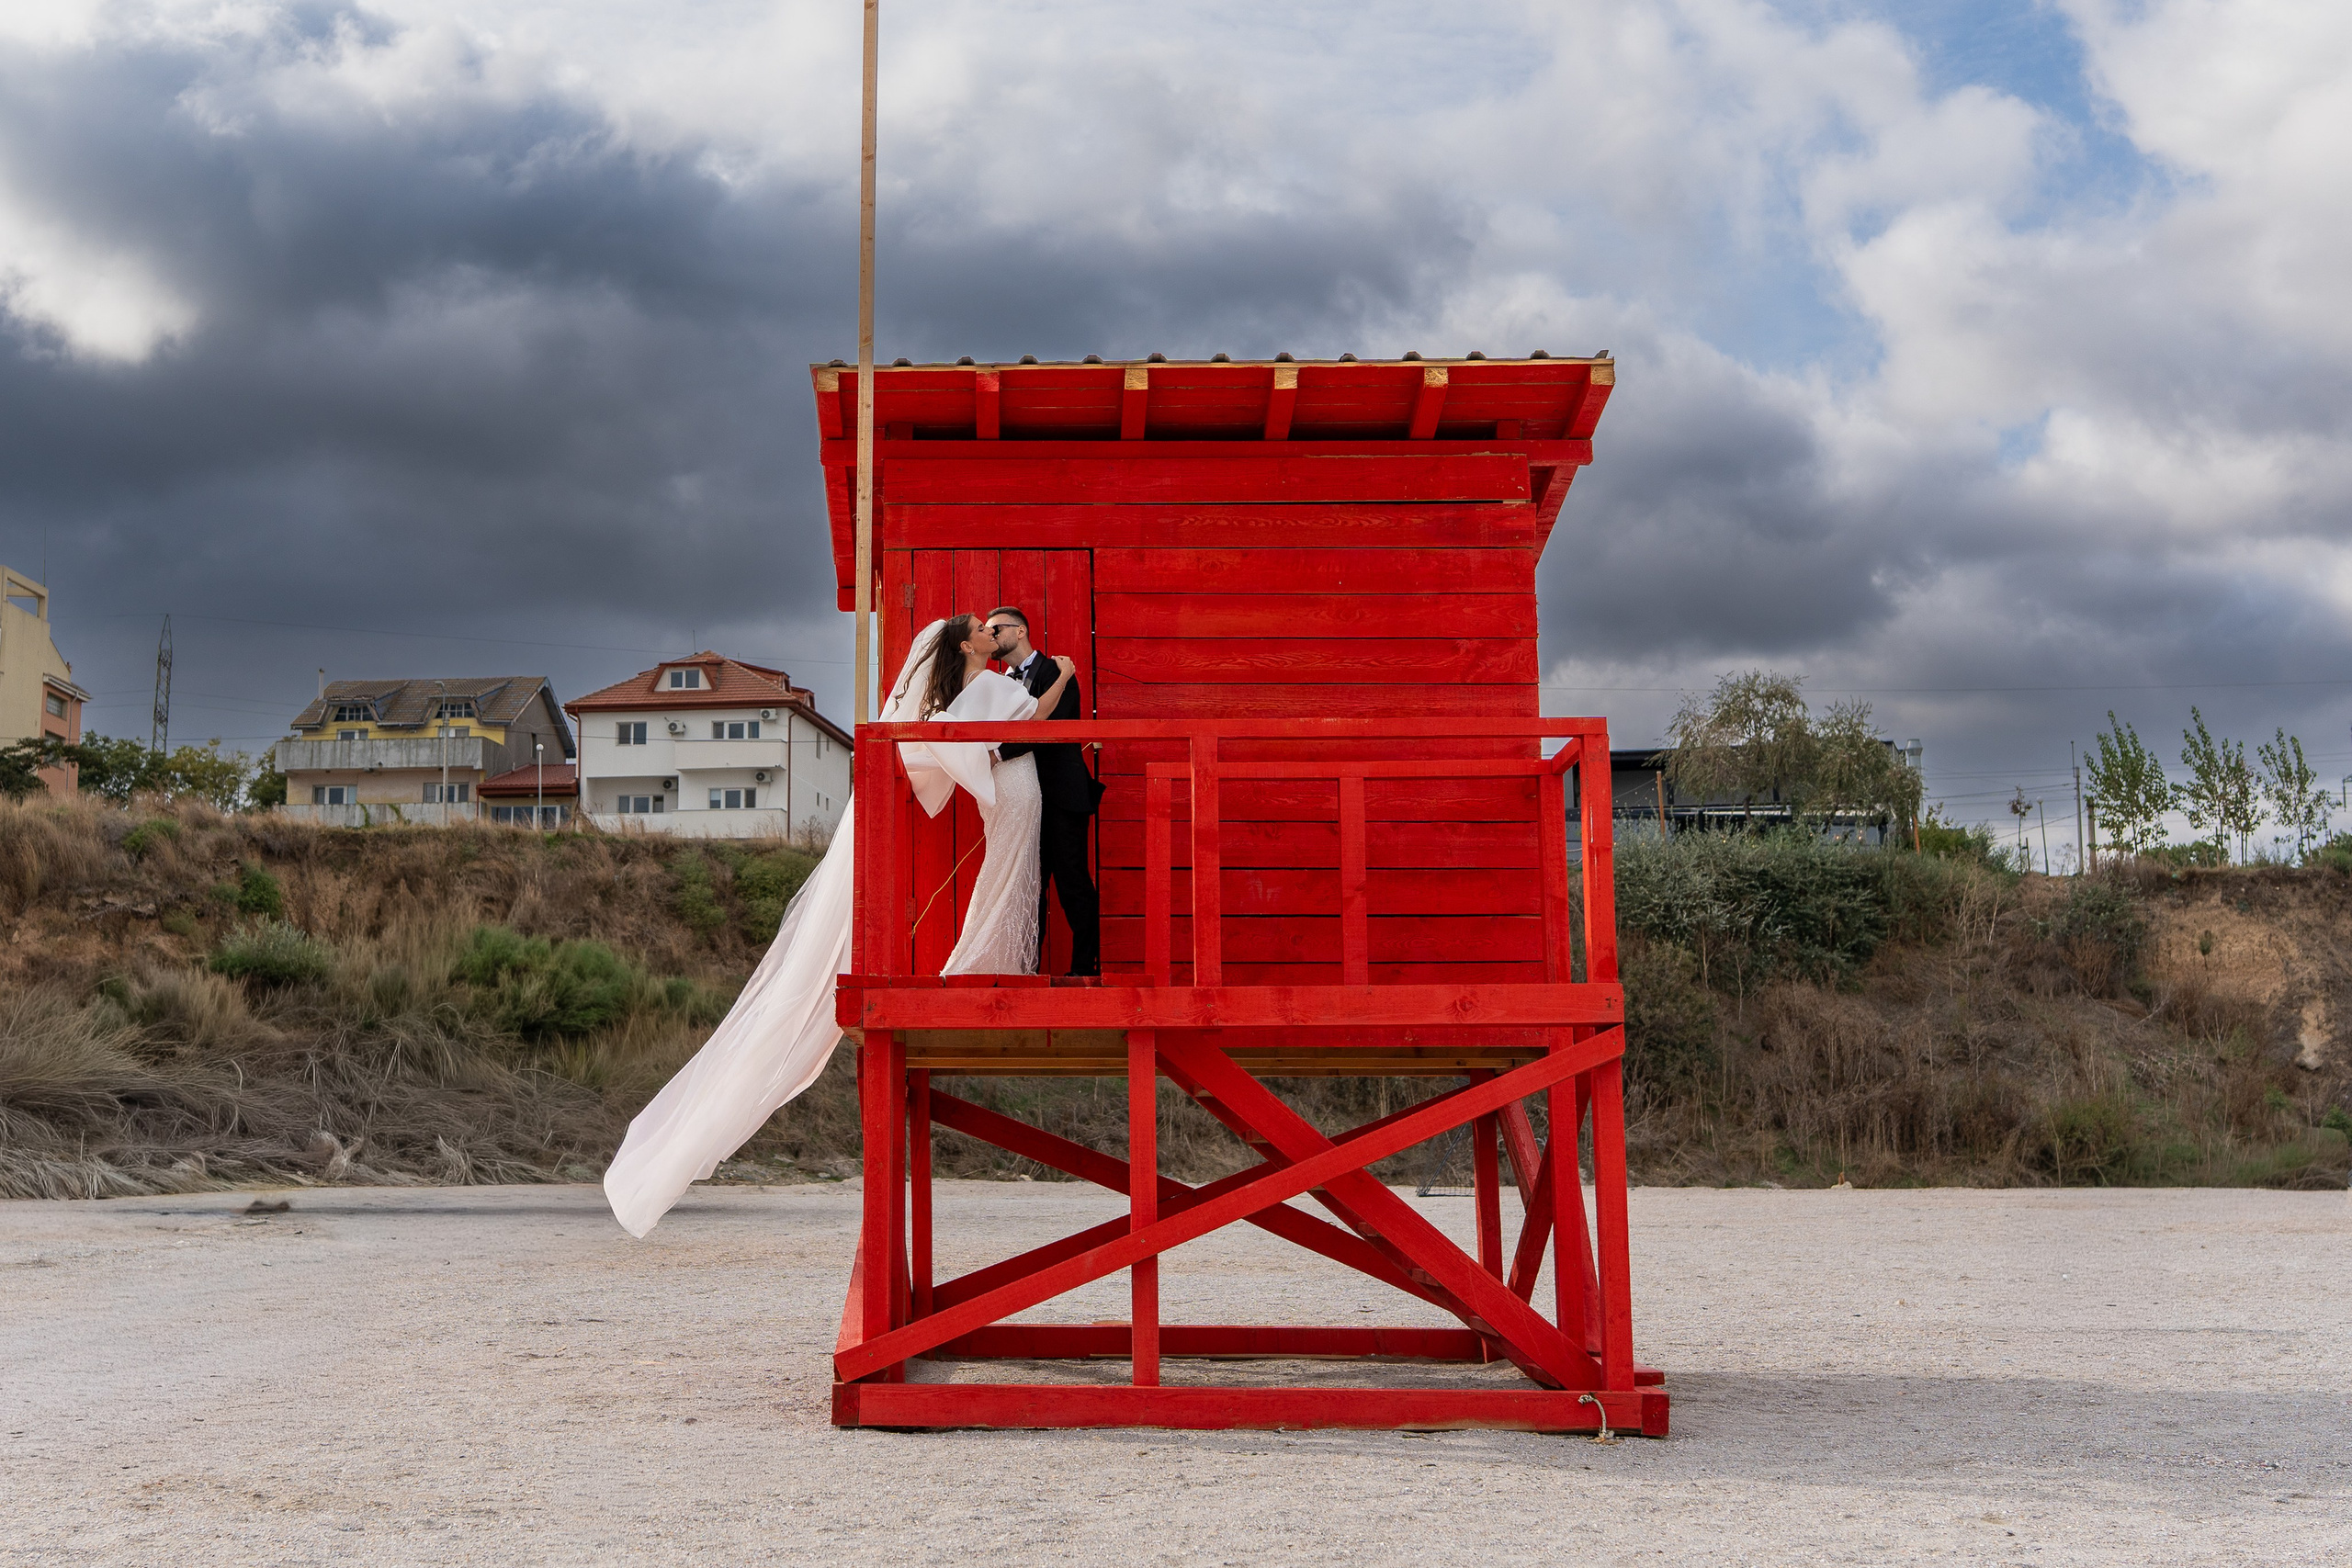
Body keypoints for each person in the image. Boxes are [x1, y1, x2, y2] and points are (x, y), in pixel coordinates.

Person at [600, 615, 1070, 1238]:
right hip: (1015, 790)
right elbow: (1033, 718)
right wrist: (1062, 671)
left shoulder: (962, 687)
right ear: (965, 646)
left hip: (1008, 790)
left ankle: (987, 962)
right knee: (1008, 881)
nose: (990, 631)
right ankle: (980, 964)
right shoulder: (983, 684)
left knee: (1008, 882)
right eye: (982, 629)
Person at [984, 605, 1102, 976]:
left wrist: (999, 753)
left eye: (996, 629)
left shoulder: (1056, 672)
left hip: (1061, 795)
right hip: (1022, 798)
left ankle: (1086, 967)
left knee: (1072, 881)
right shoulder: (999, 681)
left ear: (1020, 631)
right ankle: (1026, 969)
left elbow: (1049, 729)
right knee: (1029, 885)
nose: (990, 636)